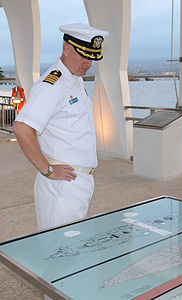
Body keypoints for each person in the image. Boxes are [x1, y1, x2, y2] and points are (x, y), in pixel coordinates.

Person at [13, 23, 108, 299]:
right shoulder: (52, 83)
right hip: (62, 187)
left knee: (73, 257)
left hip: (77, 183)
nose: (88, 63)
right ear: (67, 48)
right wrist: (46, 169)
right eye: (83, 55)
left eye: (92, 57)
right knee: (61, 259)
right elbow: (22, 128)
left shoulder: (74, 79)